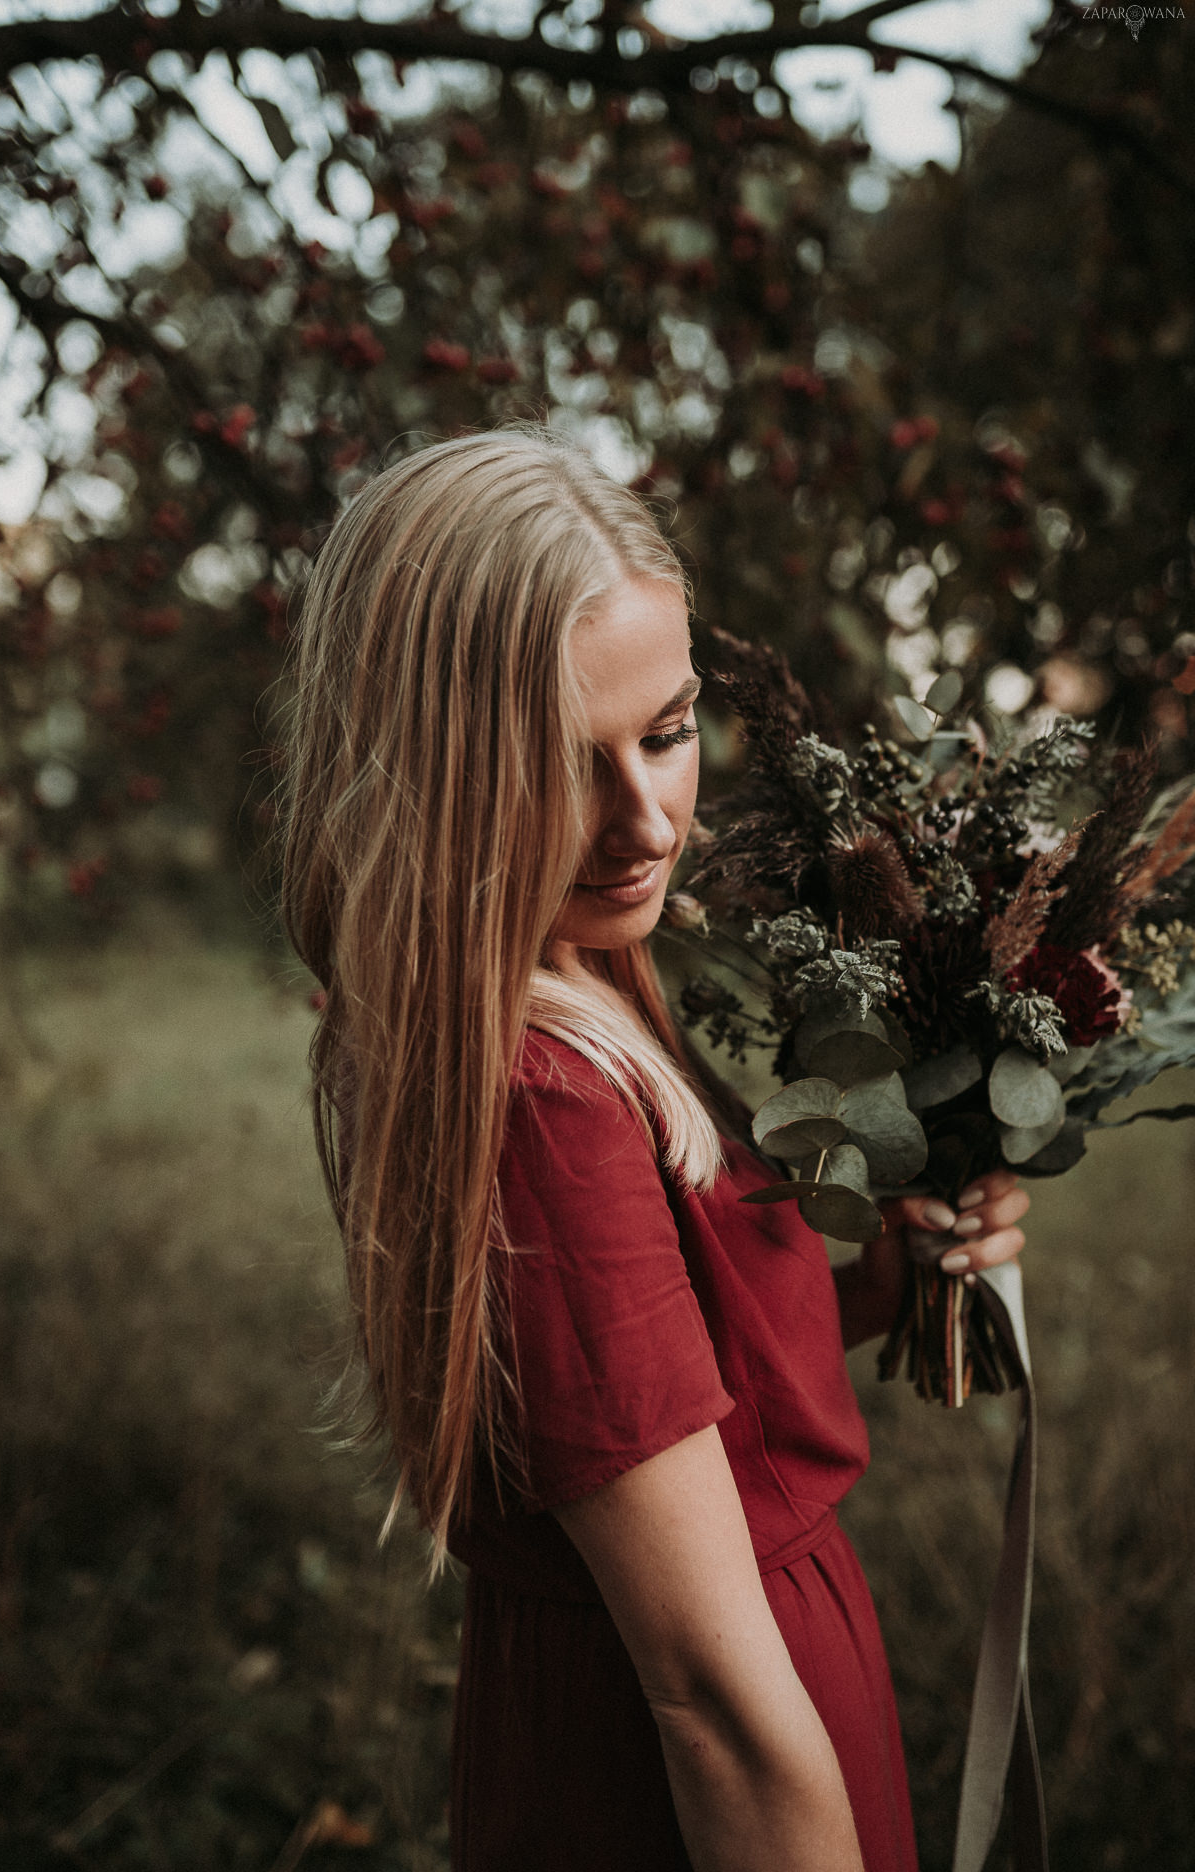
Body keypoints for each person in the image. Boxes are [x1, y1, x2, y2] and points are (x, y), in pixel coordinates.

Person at [279, 427, 1030, 1872]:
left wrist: (908, 1247)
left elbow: (703, 1380)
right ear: (430, 765)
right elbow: (715, 1707)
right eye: (560, 762)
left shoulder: (581, 958)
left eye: (669, 732)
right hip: (700, 1776)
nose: (644, 823)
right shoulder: (544, 1096)